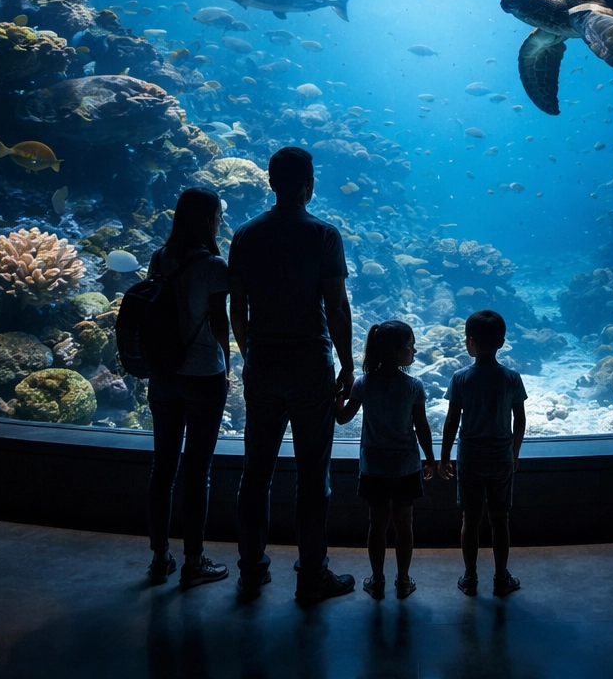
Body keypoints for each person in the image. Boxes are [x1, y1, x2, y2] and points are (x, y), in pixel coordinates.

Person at [229, 147, 356, 602]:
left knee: (255, 473)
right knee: (312, 476)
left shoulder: (244, 236)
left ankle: (250, 570)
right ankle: (312, 575)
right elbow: (336, 307)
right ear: (310, 184)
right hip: (309, 365)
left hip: (262, 365)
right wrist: (348, 361)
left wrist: (251, 353)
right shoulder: (324, 235)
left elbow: (236, 310)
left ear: (269, 181)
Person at [143, 187, 232, 588]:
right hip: (203, 377)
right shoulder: (214, 265)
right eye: (217, 215)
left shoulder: (159, 258)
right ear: (208, 220)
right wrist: (229, 366)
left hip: (163, 375)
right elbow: (219, 322)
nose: (220, 221)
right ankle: (193, 562)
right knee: (197, 471)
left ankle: (160, 559)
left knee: (163, 468)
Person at [335, 321, 435, 599]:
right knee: (405, 524)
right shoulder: (413, 386)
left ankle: (377, 580)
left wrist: (339, 396)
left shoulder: (363, 384)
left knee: (376, 524)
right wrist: (430, 459)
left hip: (374, 468)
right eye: (410, 346)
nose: (414, 350)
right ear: (396, 351)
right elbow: (422, 427)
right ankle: (403, 580)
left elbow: (342, 418)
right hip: (405, 467)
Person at [439, 309, 527, 597]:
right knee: (500, 520)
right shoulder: (512, 378)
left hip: (470, 457)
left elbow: (451, 421)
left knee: (470, 519)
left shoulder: (460, 378)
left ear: (469, 342)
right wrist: (514, 453)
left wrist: (444, 456)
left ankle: (470, 576)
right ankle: (501, 578)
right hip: (501, 457)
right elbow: (520, 419)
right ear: (502, 342)